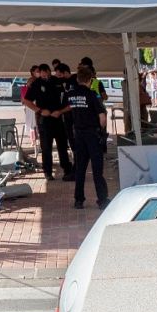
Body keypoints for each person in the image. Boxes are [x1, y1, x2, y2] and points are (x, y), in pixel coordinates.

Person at [59, 66, 110, 209]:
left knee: (80, 168)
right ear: (90, 80)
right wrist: (102, 131)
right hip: (92, 134)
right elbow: (102, 117)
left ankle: (79, 200)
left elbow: (67, 110)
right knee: (97, 169)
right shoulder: (92, 94)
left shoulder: (71, 95)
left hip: (78, 134)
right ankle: (102, 200)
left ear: (78, 79)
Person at [20, 63, 72, 180]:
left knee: (62, 146)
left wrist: (61, 111)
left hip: (58, 118)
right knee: (46, 147)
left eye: (45, 73)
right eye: (41, 74)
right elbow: (27, 101)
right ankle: (47, 172)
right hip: (44, 120)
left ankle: (67, 169)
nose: (44, 76)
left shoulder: (57, 81)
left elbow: (69, 100)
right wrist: (40, 110)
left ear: (49, 71)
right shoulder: (36, 84)